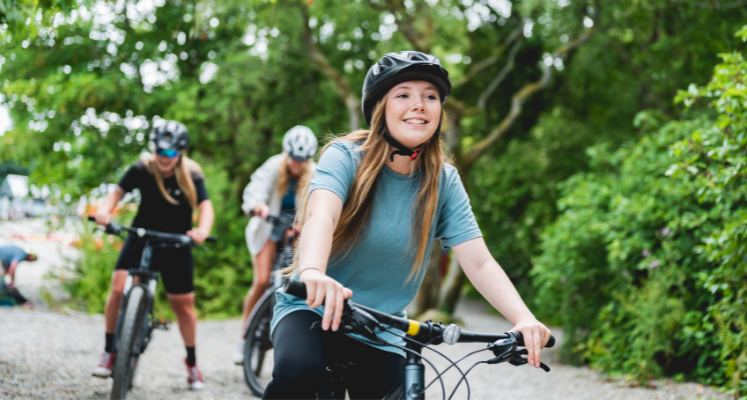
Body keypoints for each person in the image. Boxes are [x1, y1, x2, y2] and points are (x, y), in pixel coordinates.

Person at [263, 51, 553, 399]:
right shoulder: (345, 156)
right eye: (404, 95)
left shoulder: (443, 181)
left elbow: (479, 261)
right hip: (313, 309)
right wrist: (312, 271)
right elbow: (321, 215)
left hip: (384, 328)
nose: (419, 105)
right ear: (380, 108)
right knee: (298, 375)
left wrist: (523, 319)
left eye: (430, 97)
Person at [91, 121, 214, 390]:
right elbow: (116, 194)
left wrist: (202, 230)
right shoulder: (142, 169)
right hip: (141, 236)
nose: (164, 158)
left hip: (176, 243)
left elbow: (206, 207)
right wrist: (104, 211)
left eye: (170, 153)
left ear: (180, 153)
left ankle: (192, 363)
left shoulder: (192, 174)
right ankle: (110, 351)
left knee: (184, 308)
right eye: (160, 151)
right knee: (116, 288)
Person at [233, 125, 317, 364]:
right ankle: (243, 338)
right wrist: (258, 206)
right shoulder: (273, 166)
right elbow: (254, 190)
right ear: (286, 153)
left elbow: (321, 203)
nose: (297, 165)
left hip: (296, 228)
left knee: (302, 278)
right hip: (269, 227)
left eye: (302, 160)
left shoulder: (315, 173)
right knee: (261, 281)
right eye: (293, 159)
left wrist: (307, 223)